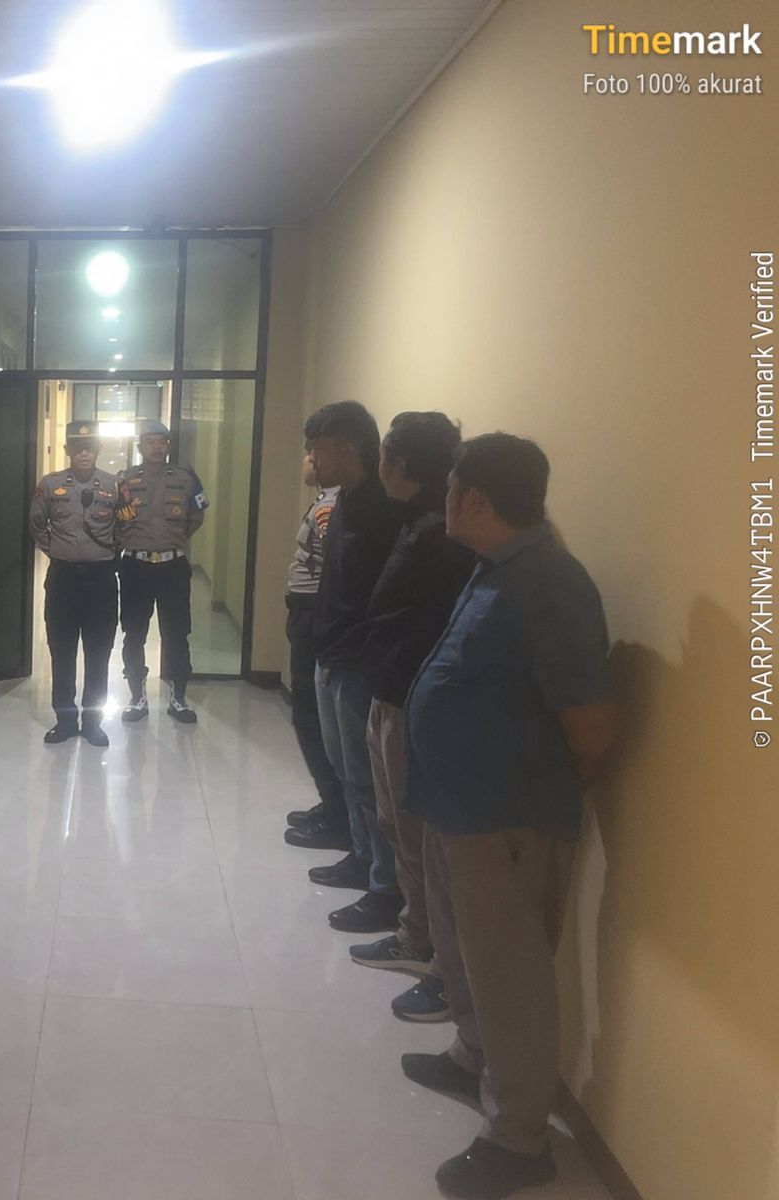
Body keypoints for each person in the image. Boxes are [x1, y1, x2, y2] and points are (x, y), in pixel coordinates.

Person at [400, 434, 617, 1199]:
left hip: (505, 817)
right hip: (457, 806)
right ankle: (472, 1057)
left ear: (474, 500)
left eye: (450, 492)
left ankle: (520, 1139)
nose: (445, 505)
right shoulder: (497, 569)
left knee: (510, 976)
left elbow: (591, 727)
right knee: (463, 954)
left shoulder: (551, 583)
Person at [343, 414, 475, 1022]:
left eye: (385, 458)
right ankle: (414, 932)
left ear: (399, 465)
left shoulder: (439, 538)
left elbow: (422, 624)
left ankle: (426, 946)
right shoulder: (415, 522)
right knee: (395, 822)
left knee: (414, 832)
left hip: (409, 698)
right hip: (391, 691)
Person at [293, 402, 403, 933]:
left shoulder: (384, 511)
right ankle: (361, 857)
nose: (312, 459)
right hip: (331, 653)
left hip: (358, 661)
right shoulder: (341, 502)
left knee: (366, 777)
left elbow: (381, 596)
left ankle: (385, 887)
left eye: (319, 449)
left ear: (350, 448)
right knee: (346, 769)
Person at [30, 420, 120, 746]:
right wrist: (59, 550)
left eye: (89, 447)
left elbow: (125, 527)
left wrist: (107, 553)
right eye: (77, 447)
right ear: (67, 449)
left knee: (98, 652)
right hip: (63, 578)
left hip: (101, 579)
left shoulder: (114, 485)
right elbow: (36, 524)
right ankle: (66, 721)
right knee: (62, 649)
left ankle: (93, 723)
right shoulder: (50, 484)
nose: (83, 452)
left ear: (98, 449)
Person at [115, 419, 209, 723]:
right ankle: (137, 697)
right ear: (140, 446)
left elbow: (197, 515)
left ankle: (178, 698)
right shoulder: (125, 480)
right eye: (150, 442)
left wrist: (173, 540)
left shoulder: (185, 478)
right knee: (134, 632)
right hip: (136, 566)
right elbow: (115, 519)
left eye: (162, 442)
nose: (156, 447)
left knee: (177, 632)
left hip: (173, 567)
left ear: (168, 446)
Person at [282, 453, 347, 847]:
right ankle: (332, 804)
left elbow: (336, 569)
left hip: (315, 614)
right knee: (310, 715)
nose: (307, 461)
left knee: (310, 715)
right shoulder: (328, 499)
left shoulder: (331, 506)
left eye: (312, 453)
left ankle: (338, 816)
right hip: (308, 612)